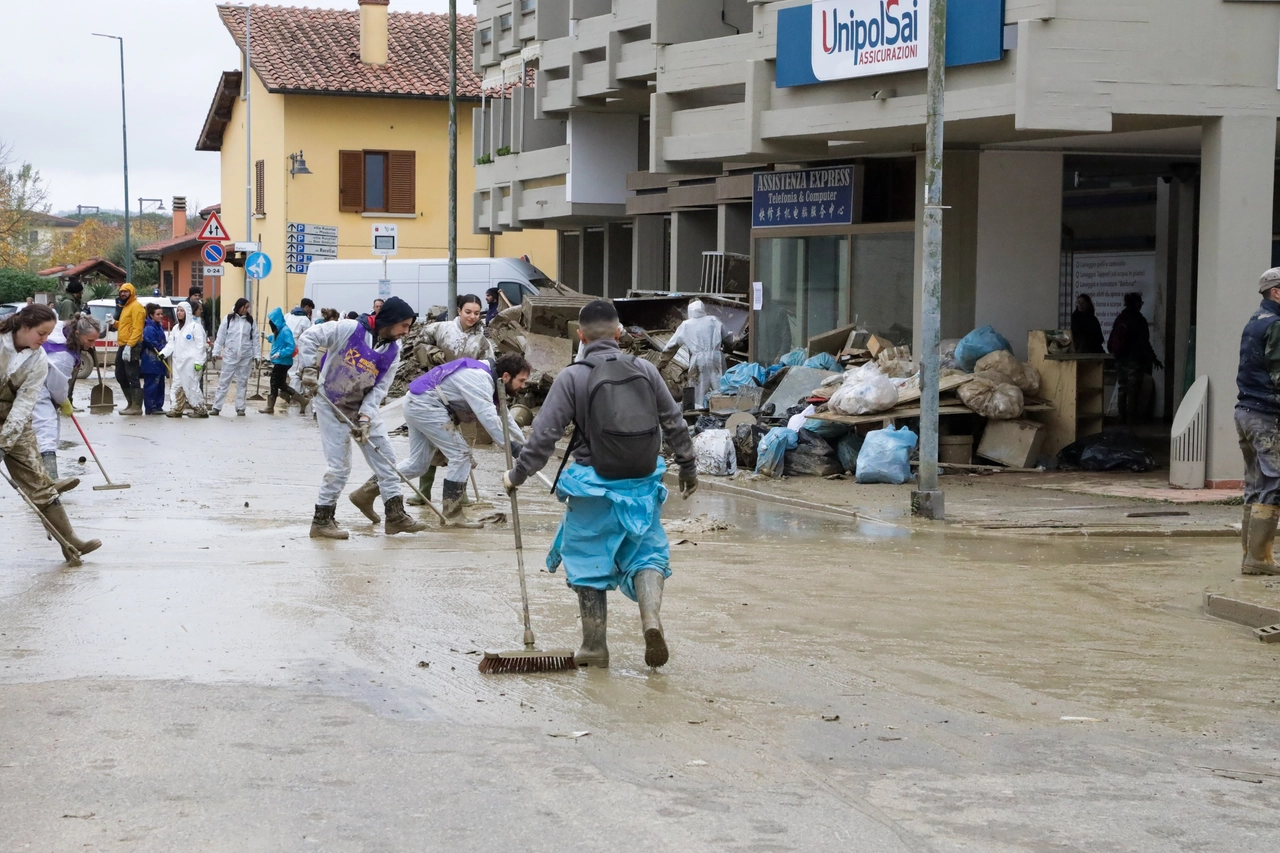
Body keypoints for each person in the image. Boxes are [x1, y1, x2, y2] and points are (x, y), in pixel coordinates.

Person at [503, 300, 698, 669]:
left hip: (594, 485)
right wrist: (688, 466)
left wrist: (517, 475)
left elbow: (544, 436)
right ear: (620, 333)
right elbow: (674, 422)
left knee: (589, 558)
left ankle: (595, 646)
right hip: (642, 482)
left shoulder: (572, 377)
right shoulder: (645, 369)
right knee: (647, 554)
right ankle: (651, 620)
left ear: (580, 336)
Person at [297, 296, 425, 539]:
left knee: (386, 458)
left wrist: (365, 418)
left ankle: (396, 516)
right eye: (404, 326)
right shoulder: (350, 328)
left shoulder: (392, 353)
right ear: (390, 320)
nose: (405, 332)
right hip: (331, 402)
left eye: (408, 327)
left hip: (362, 406)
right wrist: (309, 369)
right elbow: (309, 337)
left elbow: (379, 389)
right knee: (340, 466)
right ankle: (322, 520)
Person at [364, 354, 529, 527]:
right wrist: (513, 448)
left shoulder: (492, 378)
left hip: (419, 403)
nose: (523, 386)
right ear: (506, 376)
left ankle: (364, 494)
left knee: (418, 464)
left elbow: (504, 416)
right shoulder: (479, 378)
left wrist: (524, 444)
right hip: (426, 406)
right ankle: (453, 514)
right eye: (522, 381)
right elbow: (490, 420)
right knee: (461, 454)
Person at [0, 305, 102, 563]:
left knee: (40, 484)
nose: (44, 340)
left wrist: (4, 441)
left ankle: (69, 541)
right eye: (41, 333)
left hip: (15, 420)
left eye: (47, 334)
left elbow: (25, 402)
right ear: (24, 327)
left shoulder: (38, 359)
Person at [407, 294, 497, 507]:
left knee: (463, 446)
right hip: (434, 393)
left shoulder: (482, 342)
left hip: (465, 401)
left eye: (476, 313)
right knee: (430, 443)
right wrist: (432, 353)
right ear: (459, 310)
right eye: (468, 312)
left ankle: (459, 494)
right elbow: (418, 344)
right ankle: (423, 492)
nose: (472, 317)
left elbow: (490, 369)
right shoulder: (440, 329)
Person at [1234, 268, 1280, 576]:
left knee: (1254, 482)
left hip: (1245, 412)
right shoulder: (1276, 325)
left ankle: (1250, 554)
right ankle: (1259, 558)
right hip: (1265, 415)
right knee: (1275, 480)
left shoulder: (1255, 320)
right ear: (1277, 292)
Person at [32, 314, 102, 491]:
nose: (92, 344)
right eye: (90, 340)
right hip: (35, 385)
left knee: (40, 430)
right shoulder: (63, 356)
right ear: (77, 333)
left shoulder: (61, 329)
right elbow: (57, 386)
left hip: (37, 379)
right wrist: (64, 402)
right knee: (47, 427)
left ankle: (40, 477)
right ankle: (50, 479)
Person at [658, 299, 734, 408]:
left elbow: (671, 347)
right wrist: (728, 347)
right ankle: (722, 414)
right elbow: (728, 338)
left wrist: (661, 364)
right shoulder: (713, 320)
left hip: (698, 361)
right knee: (720, 389)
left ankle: (700, 417)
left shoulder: (686, 325)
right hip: (716, 357)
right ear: (703, 308)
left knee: (698, 393)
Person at [1107, 292, 1162, 424]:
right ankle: (1131, 418)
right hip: (1134, 359)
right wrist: (1153, 358)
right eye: (1140, 303)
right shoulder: (1139, 320)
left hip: (1120, 359)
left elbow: (1111, 340)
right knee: (1133, 389)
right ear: (1137, 304)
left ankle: (1121, 417)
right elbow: (1144, 342)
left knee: (1122, 387)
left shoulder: (1120, 318)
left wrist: (1114, 354)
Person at [211, 297, 257, 417]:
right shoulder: (228, 319)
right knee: (224, 381)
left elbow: (255, 339)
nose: (246, 310)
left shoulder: (250, 321)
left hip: (245, 356)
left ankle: (240, 407)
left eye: (248, 308)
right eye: (244, 307)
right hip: (230, 355)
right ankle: (217, 406)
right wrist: (215, 352)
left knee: (242, 382)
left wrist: (257, 355)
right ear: (239, 306)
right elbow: (220, 337)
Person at [162, 301, 208, 418]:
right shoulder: (176, 328)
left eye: (182, 311)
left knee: (191, 386)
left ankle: (200, 409)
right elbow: (171, 343)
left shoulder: (195, 327)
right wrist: (164, 353)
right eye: (178, 310)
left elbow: (200, 346)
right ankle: (176, 408)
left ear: (187, 312)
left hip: (191, 363)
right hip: (178, 362)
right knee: (177, 385)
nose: (179, 313)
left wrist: (199, 361)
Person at [110, 282, 146, 416]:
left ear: (132, 292)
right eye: (121, 292)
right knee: (120, 374)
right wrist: (114, 324)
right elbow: (126, 327)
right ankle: (130, 402)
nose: (123, 294)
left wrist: (130, 345)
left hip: (132, 345)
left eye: (126, 291)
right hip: (123, 344)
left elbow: (137, 329)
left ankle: (136, 406)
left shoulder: (137, 307)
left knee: (132, 375)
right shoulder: (125, 307)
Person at [261, 306, 300, 415]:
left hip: (283, 362)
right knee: (281, 384)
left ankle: (270, 406)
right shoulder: (280, 330)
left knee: (274, 382)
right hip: (280, 362)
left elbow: (291, 346)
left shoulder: (286, 331)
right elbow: (277, 341)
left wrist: (280, 353)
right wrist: (267, 337)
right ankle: (302, 400)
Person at [140, 303, 168, 415]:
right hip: (151, 362)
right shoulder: (149, 328)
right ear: (151, 315)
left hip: (160, 361)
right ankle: (150, 407)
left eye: (161, 314)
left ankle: (158, 406)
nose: (161, 316)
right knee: (152, 385)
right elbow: (153, 343)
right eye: (158, 314)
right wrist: (164, 350)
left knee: (160, 385)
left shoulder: (159, 326)